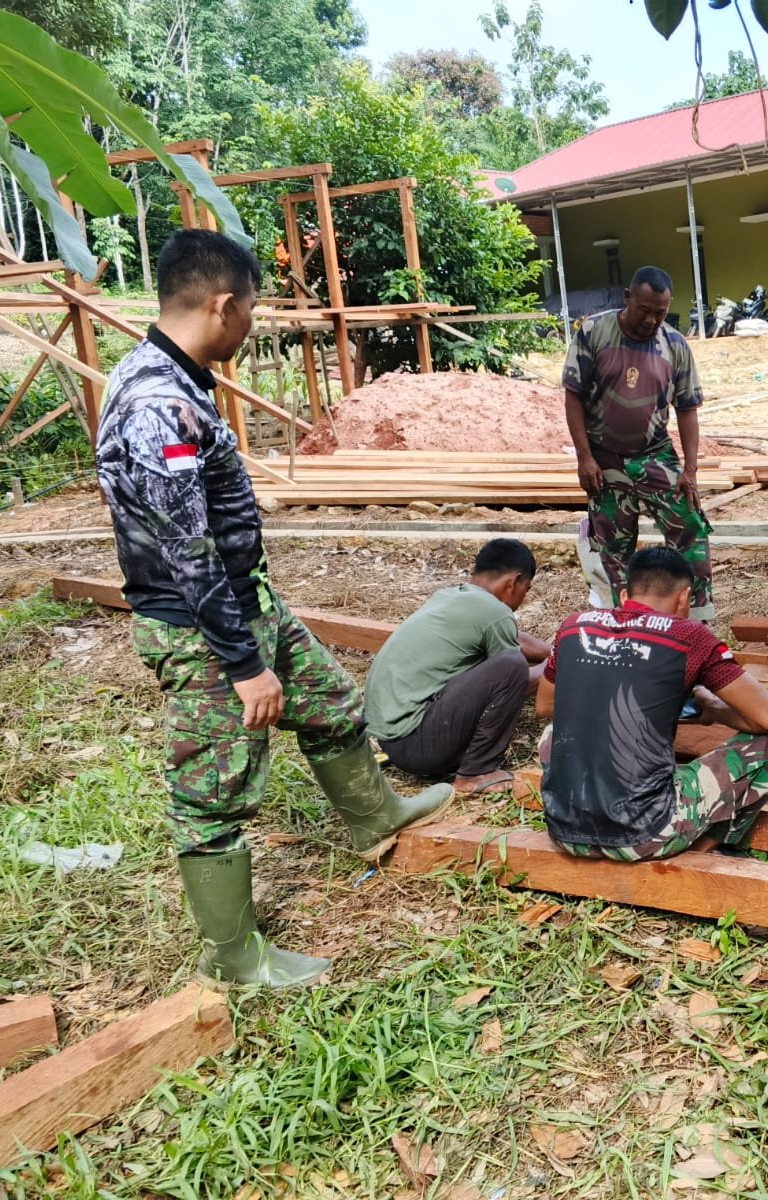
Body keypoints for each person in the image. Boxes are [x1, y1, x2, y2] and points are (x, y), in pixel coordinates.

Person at [96, 230, 454, 989]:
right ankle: (233, 956)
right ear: (223, 305)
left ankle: (374, 816)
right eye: (252, 311)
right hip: (202, 628)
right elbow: (186, 552)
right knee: (213, 791)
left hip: (246, 601)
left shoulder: (175, 377)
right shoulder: (159, 405)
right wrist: (244, 664)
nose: (251, 326)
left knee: (329, 702)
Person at [534, 547, 768, 860]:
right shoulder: (691, 637)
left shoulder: (573, 626)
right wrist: (712, 707)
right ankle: (709, 845)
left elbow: (545, 706)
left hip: (564, 833)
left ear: (624, 595)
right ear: (684, 597)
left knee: (554, 731)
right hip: (645, 836)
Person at [564, 265, 715, 620]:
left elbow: (687, 409)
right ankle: (625, 622)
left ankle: (695, 620)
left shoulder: (675, 345)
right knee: (612, 546)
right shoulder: (594, 332)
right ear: (628, 298)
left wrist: (690, 471)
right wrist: (585, 458)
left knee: (690, 524)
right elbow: (573, 397)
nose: (651, 320)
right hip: (604, 458)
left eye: (659, 313)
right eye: (644, 310)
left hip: (655, 454)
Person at [365, 538, 551, 796]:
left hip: (392, 743)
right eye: (526, 590)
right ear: (514, 581)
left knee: (509, 661)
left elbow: (517, 639)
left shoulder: (451, 598)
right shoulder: (495, 612)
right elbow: (516, 676)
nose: (523, 598)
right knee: (512, 665)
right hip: (418, 746)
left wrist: (556, 649)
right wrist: (559, 664)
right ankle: (476, 773)